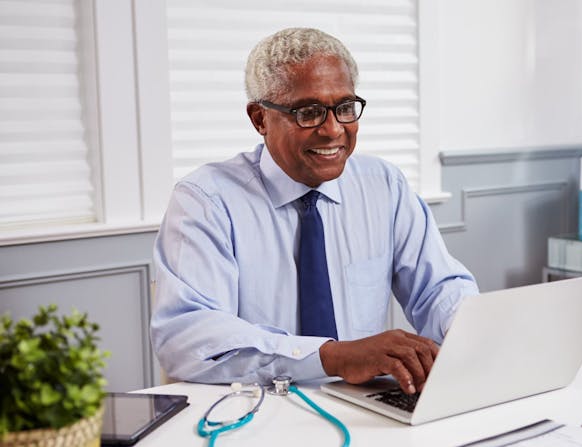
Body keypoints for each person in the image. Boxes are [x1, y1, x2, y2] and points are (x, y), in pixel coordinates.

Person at [151, 27, 478, 395]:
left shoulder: (383, 185)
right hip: (258, 411)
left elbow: (438, 288)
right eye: (309, 112)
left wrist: (467, 333)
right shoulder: (205, 200)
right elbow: (187, 337)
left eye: (344, 108)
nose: (333, 129)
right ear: (260, 119)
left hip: (365, 408)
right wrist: (331, 357)